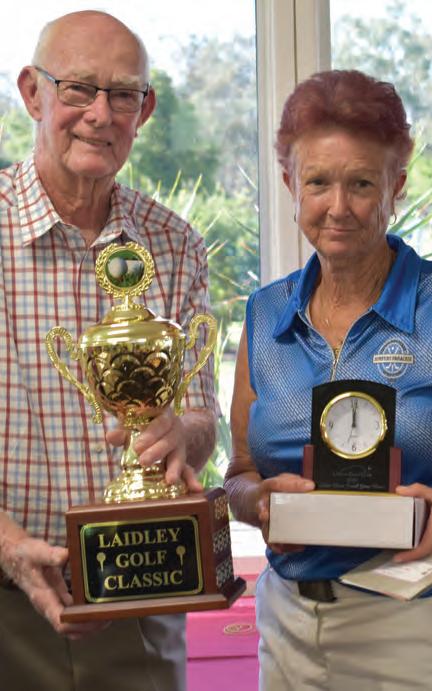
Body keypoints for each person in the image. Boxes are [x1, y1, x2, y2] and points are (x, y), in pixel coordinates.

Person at [224, 69, 432, 690]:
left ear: (396, 185)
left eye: (361, 183)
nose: (337, 207)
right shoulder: (265, 314)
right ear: (290, 183)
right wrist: (254, 501)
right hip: (291, 623)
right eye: (318, 182)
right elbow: (239, 469)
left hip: (427, 626)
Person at [0, 11, 218, 691]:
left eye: (123, 94)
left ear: (144, 111)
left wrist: (182, 433)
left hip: (139, 606)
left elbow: (203, 419)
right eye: (77, 89)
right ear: (32, 92)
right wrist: (7, 544)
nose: (100, 114)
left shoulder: (174, 243)